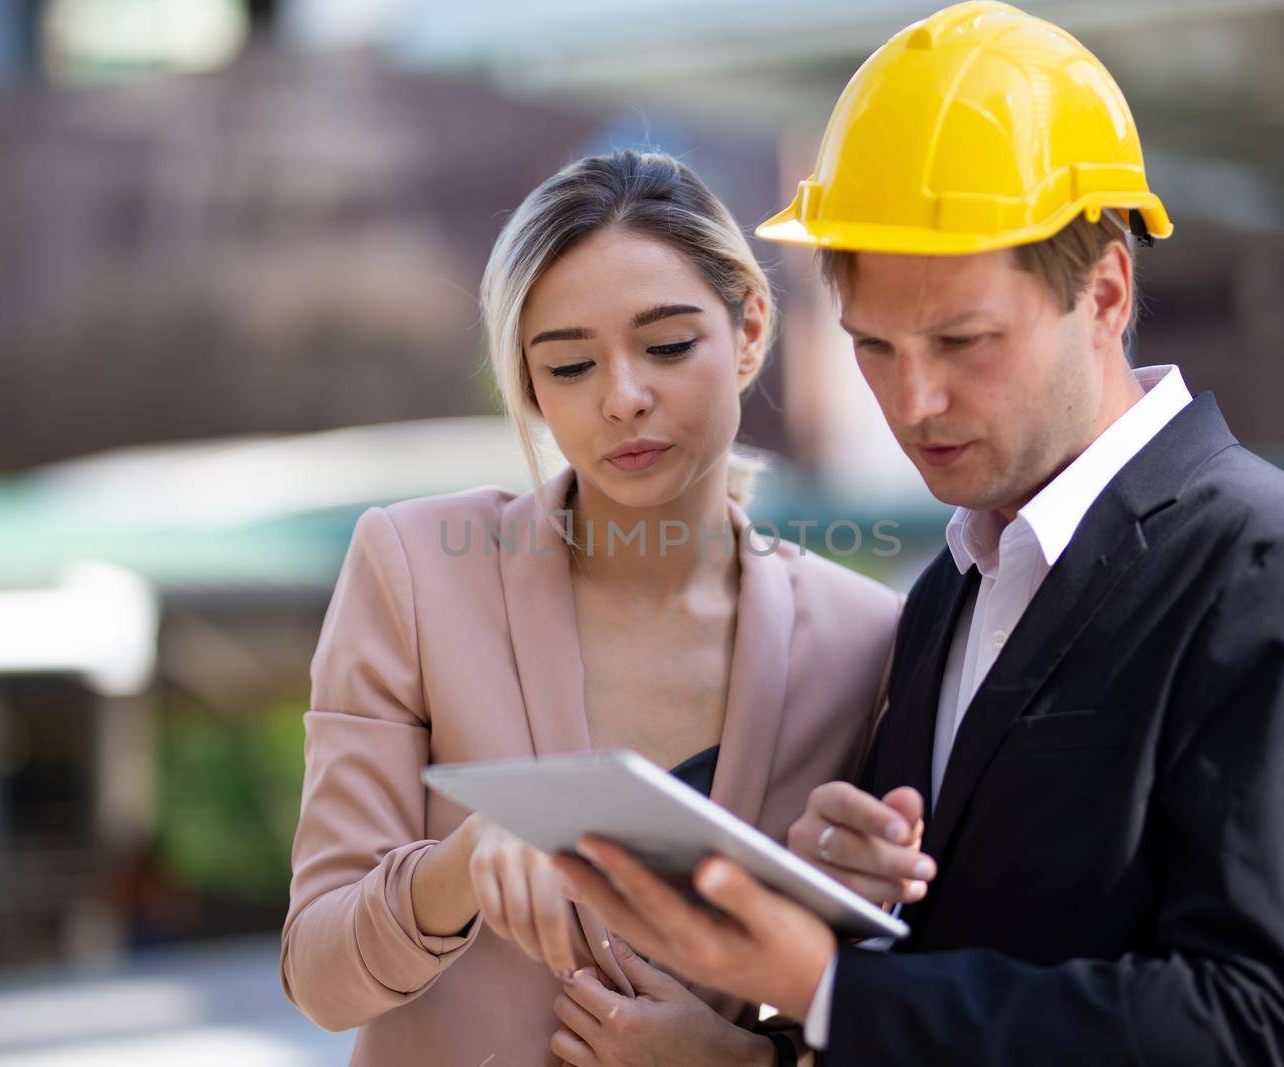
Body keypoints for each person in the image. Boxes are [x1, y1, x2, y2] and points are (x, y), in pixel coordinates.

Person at [557, 5, 1284, 1065]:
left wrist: (823, 985)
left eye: (963, 340)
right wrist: (830, 916)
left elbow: (1259, 1032)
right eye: (873, 345)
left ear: (1104, 291)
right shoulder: (954, 585)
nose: (914, 400)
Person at [279, 149, 902, 1067]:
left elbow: (892, 1004)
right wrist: (460, 866)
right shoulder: (413, 571)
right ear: (529, 387)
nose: (623, 398)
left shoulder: (864, 638)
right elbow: (319, 976)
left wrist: (746, 1054)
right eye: (569, 365)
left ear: (753, 329)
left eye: (668, 345)